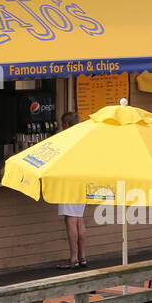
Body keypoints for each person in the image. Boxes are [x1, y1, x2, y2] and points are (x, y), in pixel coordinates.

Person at [57, 112, 87, 268]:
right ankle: (82, 257)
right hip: (82, 181)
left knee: (71, 219)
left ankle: (73, 258)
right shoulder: (83, 139)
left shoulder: (65, 140)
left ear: (66, 125)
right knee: (79, 219)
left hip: (68, 182)